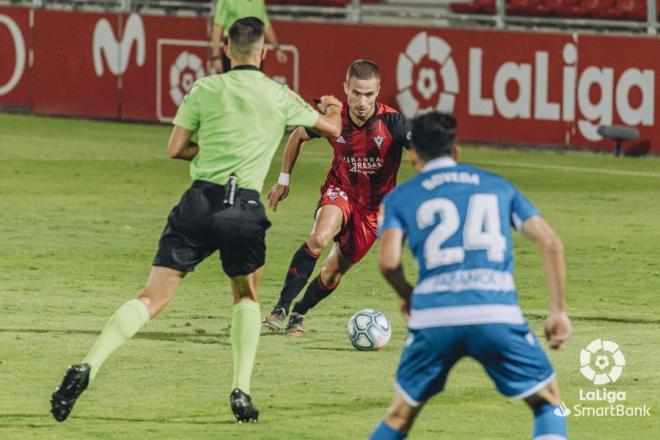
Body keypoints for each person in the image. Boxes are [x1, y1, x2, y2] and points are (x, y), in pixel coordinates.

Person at [50, 17, 342, 424]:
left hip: (199, 201)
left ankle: (89, 364)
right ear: (263, 52)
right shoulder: (279, 95)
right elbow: (333, 129)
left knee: (152, 297)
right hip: (242, 207)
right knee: (245, 296)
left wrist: (209, 154)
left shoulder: (204, 88)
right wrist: (332, 106)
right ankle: (241, 391)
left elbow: (175, 148)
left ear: (226, 49)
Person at [370, 112, 572, 439]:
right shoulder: (496, 185)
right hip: (495, 312)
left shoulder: (401, 197)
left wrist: (409, 295)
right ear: (457, 151)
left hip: (435, 316)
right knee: (549, 402)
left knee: (398, 416)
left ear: (413, 155)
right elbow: (550, 242)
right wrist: (558, 311)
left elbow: (388, 263)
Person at [262, 60, 412, 336]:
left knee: (332, 273)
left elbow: (421, 151)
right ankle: (280, 308)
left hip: (374, 211)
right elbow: (298, 135)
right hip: (340, 190)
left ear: (378, 91)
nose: (362, 101)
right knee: (319, 238)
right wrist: (283, 180)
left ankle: (299, 313)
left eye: (368, 94)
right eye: (356, 93)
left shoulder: (394, 123)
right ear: (346, 88)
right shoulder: (336, 120)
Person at [210, 0, 287, 73]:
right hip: (235, 47)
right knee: (233, 83)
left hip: (255, 47)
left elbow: (266, 26)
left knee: (254, 83)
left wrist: (277, 49)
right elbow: (217, 29)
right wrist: (216, 57)